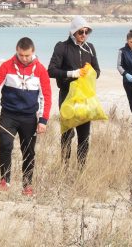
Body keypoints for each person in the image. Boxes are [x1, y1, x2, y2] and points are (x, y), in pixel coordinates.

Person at [0, 37, 52, 197]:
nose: (24, 59)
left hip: (29, 117)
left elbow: (46, 96)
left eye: (27, 56)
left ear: (33, 52)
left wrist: (43, 120)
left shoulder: (41, 70)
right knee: (5, 146)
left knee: (28, 151)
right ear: (17, 51)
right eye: (21, 55)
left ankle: (27, 185)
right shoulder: (6, 66)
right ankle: (4, 182)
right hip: (9, 115)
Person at [48, 16, 100, 168]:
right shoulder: (62, 47)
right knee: (67, 134)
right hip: (67, 97)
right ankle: (64, 167)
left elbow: (97, 71)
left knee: (84, 136)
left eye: (86, 32)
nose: (84, 35)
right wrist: (72, 74)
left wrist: (89, 73)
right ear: (73, 32)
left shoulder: (90, 48)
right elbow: (51, 70)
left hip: (85, 99)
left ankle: (80, 169)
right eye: (80, 32)